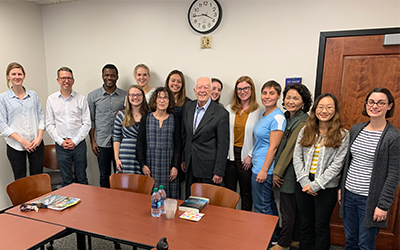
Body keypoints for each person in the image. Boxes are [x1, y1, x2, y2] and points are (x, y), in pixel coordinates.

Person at [339, 88, 400, 250]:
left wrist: (383, 205)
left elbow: (394, 174)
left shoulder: (393, 136)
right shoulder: (356, 129)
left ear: (389, 106)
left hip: (370, 200)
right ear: (366, 104)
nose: (375, 106)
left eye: (381, 103)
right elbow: (348, 162)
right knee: (350, 241)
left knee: (365, 244)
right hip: (349, 195)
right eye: (371, 102)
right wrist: (341, 189)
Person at [293, 93, 349, 250]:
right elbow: (297, 157)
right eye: (321, 107)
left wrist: (316, 185)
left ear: (335, 110)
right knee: (305, 225)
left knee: (321, 227)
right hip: (303, 186)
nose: (324, 110)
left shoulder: (343, 134)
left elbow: (337, 165)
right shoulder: (306, 130)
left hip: (326, 189)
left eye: (329, 107)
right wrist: (305, 182)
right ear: (315, 109)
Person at [270, 83, 313, 250]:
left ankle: (283, 243)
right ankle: (295, 238)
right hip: (286, 169)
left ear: (304, 102)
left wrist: (277, 172)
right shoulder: (287, 116)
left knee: (287, 210)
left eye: (296, 98)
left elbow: (289, 149)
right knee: (293, 208)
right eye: (288, 97)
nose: (291, 101)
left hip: (290, 172)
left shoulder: (302, 121)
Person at [181, 77, 229, 199]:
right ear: (194, 89)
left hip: (208, 168)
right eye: (199, 87)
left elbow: (223, 145)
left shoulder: (221, 113)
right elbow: (185, 136)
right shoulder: (187, 107)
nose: (202, 90)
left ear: (211, 90)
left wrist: (219, 171)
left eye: (206, 87)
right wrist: (183, 158)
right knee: (190, 201)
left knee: (207, 204)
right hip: (190, 165)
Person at [251, 80, 286, 244]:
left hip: (264, 169)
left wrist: (264, 170)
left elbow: (273, 147)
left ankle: (268, 240)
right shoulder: (265, 114)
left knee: (262, 206)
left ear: (279, 96)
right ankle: (273, 237)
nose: (267, 96)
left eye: (272, 93)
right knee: (268, 204)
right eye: (265, 93)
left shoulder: (278, 117)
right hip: (258, 165)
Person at [46, 67, 91, 186]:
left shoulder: (81, 99)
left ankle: (85, 204)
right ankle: (69, 204)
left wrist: (75, 141)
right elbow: (49, 124)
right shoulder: (51, 99)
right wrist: (61, 141)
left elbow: (87, 123)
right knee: (66, 180)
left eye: (69, 78)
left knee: (82, 178)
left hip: (79, 144)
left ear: (73, 80)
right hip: (62, 146)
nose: (66, 80)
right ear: (58, 80)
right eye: (63, 78)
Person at [0, 62, 45, 180]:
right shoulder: (3, 98)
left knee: (38, 179)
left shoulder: (33, 95)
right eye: (13, 74)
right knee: (21, 180)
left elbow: (41, 117)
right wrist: (23, 142)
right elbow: (2, 125)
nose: (17, 77)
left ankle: (38, 200)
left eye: (19, 74)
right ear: (8, 76)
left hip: (36, 143)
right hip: (15, 145)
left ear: (24, 76)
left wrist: (39, 137)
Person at [225, 76, 262, 211]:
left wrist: (250, 155)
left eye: (246, 88)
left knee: (246, 192)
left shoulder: (258, 111)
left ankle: (244, 221)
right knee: (230, 192)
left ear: (251, 90)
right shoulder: (229, 109)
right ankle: (229, 220)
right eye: (239, 89)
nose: (242, 91)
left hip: (246, 155)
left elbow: (260, 137)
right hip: (230, 156)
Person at [136, 87, 181, 199]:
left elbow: (178, 145)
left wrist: (175, 166)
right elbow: (140, 144)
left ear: (169, 101)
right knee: (150, 198)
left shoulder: (175, 119)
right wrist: (143, 165)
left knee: (169, 199)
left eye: (165, 98)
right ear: (154, 100)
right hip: (151, 166)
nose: (162, 101)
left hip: (169, 166)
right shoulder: (146, 119)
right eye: (159, 97)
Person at [87, 64, 126, 188]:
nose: (109, 78)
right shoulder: (93, 96)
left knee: (120, 174)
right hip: (101, 142)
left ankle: (119, 200)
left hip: (120, 142)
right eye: (107, 75)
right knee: (104, 175)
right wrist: (92, 141)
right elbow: (91, 120)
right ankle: (104, 202)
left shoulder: (124, 95)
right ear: (102, 76)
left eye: (112, 75)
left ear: (117, 77)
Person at [165, 69, 191, 196]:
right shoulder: (160, 101)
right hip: (163, 147)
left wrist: (184, 157)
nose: (175, 84)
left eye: (179, 81)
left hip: (179, 148)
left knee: (176, 183)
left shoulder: (188, 104)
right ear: (167, 82)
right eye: (173, 80)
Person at [114, 85, 149, 174]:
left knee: (143, 185)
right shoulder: (121, 116)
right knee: (124, 185)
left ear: (143, 97)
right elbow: (116, 139)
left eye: (138, 95)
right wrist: (117, 158)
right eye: (132, 95)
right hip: (126, 157)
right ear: (128, 97)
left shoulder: (149, 116)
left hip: (144, 157)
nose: (135, 97)